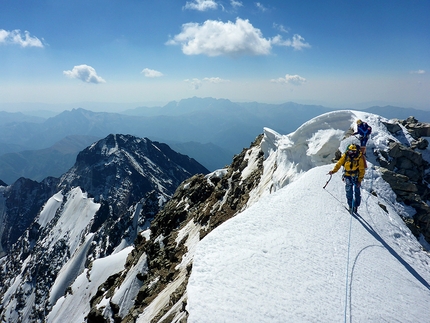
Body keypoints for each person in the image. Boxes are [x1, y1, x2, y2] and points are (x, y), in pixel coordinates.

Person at [328, 144, 366, 213]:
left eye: (353, 151)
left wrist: (359, 180)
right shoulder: (346, 156)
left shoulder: (359, 157)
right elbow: (339, 163)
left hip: (356, 176)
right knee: (349, 191)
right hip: (348, 175)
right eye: (350, 151)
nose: (352, 153)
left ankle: (356, 206)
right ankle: (351, 206)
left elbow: (361, 169)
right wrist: (333, 171)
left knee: (356, 191)